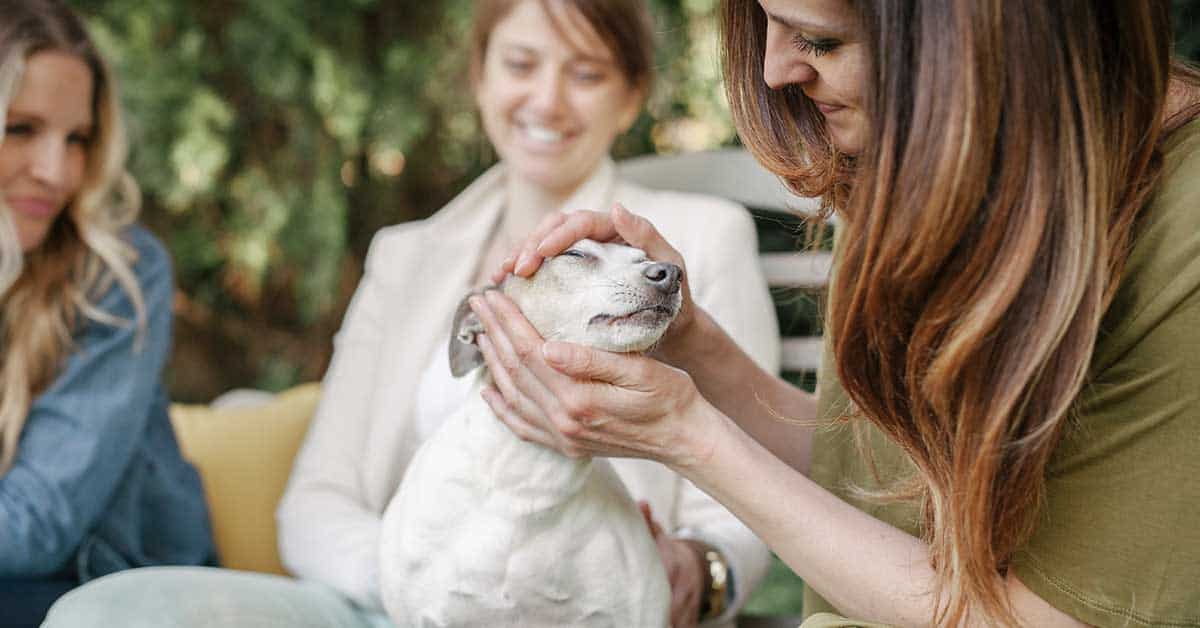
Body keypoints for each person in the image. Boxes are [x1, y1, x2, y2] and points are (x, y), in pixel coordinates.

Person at [467, 1, 1200, 627]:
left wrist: (691, 441)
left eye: (820, 39)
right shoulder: (917, 165)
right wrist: (691, 344)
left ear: (977, 39)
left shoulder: (1182, 236)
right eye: (764, 22)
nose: (772, 71)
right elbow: (863, 477)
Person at [44, 1, 778, 627]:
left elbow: (750, 491)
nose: (548, 102)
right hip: (394, 602)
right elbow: (316, 503)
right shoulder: (408, 255)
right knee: (105, 613)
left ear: (630, 95)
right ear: (480, 77)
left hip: (584, 606)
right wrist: (440, 584)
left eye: (586, 74)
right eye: (521, 64)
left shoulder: (692, 244)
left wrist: (701, 572)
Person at [0, 1, 216, 627]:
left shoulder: (121, 273)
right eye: (21, 129)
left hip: (116, 589)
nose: (56, 171)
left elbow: (35, 525)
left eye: (78, 139)